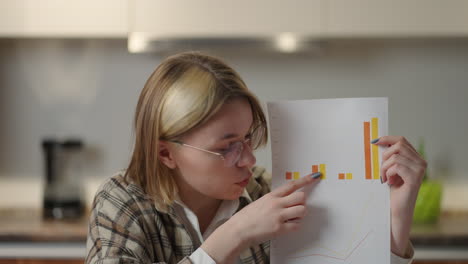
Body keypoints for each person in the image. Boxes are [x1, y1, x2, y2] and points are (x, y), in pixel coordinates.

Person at [86, 52, 427, 264]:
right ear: (165, 153)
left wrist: (394, 228)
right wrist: (234, 235)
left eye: (248, 138)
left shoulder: (269, 191)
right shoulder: (121, 203)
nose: (248, 159)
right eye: (226, 147)